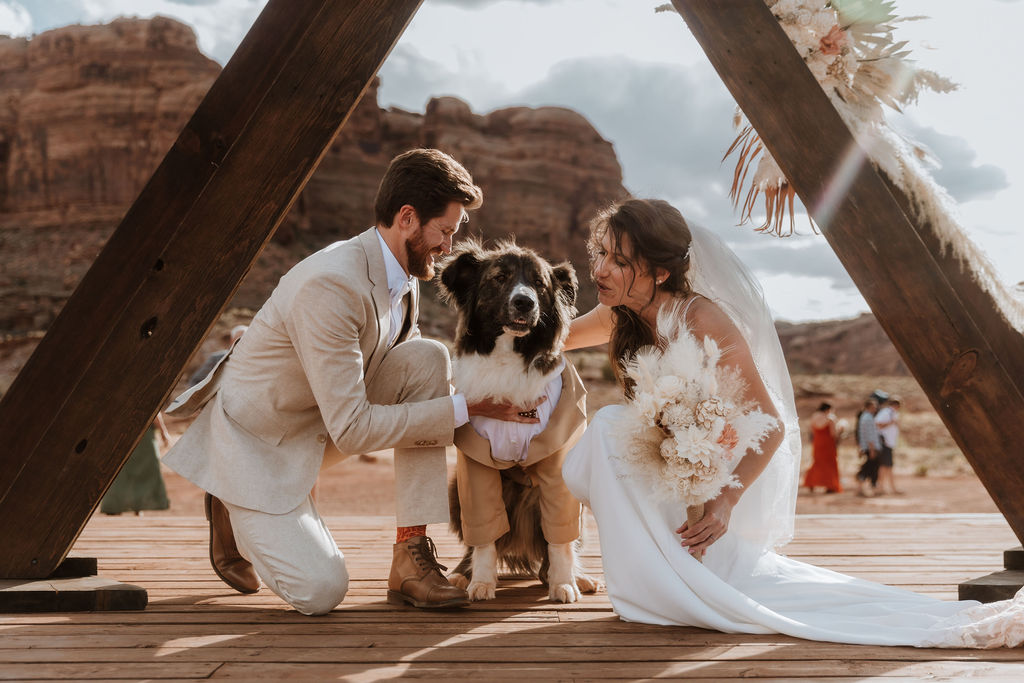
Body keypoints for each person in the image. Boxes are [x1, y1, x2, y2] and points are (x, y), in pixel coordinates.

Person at [560, 198, 1024, 648]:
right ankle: (648, 578)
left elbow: (769, 421)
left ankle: (670, 578)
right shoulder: (618, 313)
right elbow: (552, 338)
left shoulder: (700, 318)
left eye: (618, 260)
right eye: (599, 253)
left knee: (607, 424)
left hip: (702, 477)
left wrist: (723, 504)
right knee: (610, 427)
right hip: (661, 468)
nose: (599, 269)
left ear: (659, 271)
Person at [163, 149, 542, 615]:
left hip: (314, 423)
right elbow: (354, 431)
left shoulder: (402, 272)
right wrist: (470, 407)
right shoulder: (332, 285)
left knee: (427, 357)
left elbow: (408, 374)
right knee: (321, 592)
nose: (448, 248)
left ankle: (410, 554)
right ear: (407, 218)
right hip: (260, 444)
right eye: (445, 231)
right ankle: (228, 494)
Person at [100, 413, 171, 515]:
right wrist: (163, 432)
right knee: (145, 468)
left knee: (121, 470)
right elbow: (155, 413)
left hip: (122, 431)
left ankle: (116, 506)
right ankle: (137, 505)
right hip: (142, 433)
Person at [802, 402, 843, 493]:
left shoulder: (814, 416)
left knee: (817, 462)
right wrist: (840, 430)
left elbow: (811, 431)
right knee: (830, 463)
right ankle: (830, 485)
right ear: (828, 409)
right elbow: (833, 434)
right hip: (828, 444)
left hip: (817, 442)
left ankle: (811, 482)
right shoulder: (830, 418)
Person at [874, 396, 903, 495]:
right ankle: (882, 487)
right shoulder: (887, 412)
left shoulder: (892, 413)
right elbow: (878, 424)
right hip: (885, 442)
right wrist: (891, 423)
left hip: (889, 443)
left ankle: (889, 487)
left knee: (887, 466)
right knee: (885, 466)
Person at [855, 398, 881, 497]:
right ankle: (864, 489)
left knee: (869, 468)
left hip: (868, 447)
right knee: (869, 468)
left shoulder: (865, 417)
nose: (875, 408)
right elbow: (869, 435)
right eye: (874, 406)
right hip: (871, 448)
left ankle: (863, 488)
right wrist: (872, 449)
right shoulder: (868, 418)